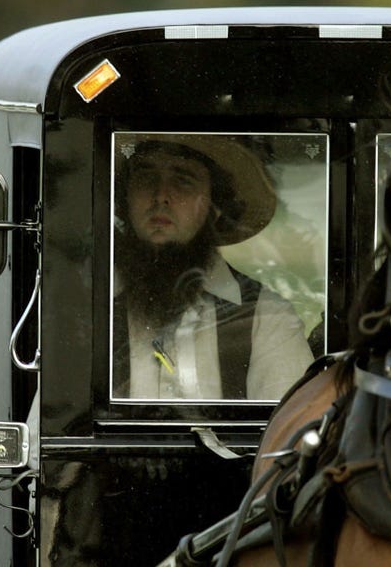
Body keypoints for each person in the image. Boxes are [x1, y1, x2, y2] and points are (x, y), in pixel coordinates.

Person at [112, 134, 314, 400]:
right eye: (146, 177)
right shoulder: (88, 306)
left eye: (182, 181)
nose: (161, 196)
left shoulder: (265, 317)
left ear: (214, 204)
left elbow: (289, 432)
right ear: (125, 196)